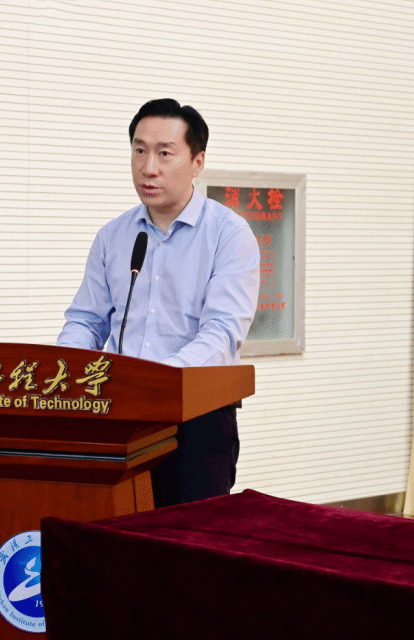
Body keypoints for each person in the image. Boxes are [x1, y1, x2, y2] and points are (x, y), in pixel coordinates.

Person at [56, 98, 260, 507]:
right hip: (118, 417)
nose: (148, 167)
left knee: (184, 540)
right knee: (112, 533)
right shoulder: (113, 236)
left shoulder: (229, 235)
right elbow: (87, 320)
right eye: (139, 150)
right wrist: (64, 374)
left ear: (197, 162)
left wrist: (154, 384)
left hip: (196, 421)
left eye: (165, 153)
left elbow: (221, 334)